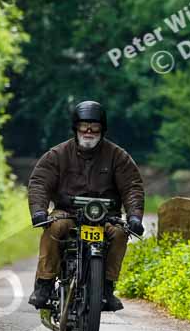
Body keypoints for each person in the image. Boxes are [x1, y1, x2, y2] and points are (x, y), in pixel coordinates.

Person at [27, 100, 145, 312]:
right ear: (76, 127)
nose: (89, 130)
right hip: (67, 213)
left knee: (120, 233)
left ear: (103, 128)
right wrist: (38, 210)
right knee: (54, 228)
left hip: (106, 217)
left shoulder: (118, 156)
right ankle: (43, 284)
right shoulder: (57, 154)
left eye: (94, 125)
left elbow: (132, 187)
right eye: (84, 125)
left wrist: (135, 217)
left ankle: (107, 288)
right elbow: (39, 182)